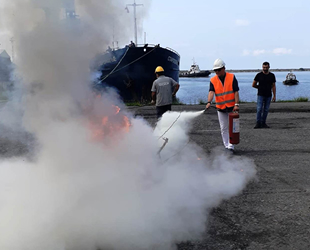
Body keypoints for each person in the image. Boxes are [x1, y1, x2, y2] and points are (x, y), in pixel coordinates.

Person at [205, 59, 240, 151]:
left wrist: (236, 104)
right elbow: (211, 92)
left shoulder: (231, 77)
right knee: (223, 128)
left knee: (232, 128)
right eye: (215, 70)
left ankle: (231, 146)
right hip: (220, 107)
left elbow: (236, 91)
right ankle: (226, 146)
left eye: (219, 70)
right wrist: (209, 102)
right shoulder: (213, 80)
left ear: (224, 68)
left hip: (231, 107)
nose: (217, 72)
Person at [252, 62, 276, 129]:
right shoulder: (259, 75)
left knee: (266, 109)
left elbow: (273, 86)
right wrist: (259, 87)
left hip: (268, 95)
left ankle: (263, 122)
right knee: (259, 109)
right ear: (262, 67)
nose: (265, 69)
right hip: (260, 94)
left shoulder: (272, 75)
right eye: (264, 67)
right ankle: (258, 123)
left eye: (266, 67)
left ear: (269, 67)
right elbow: (253, 84)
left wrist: (274, 96)